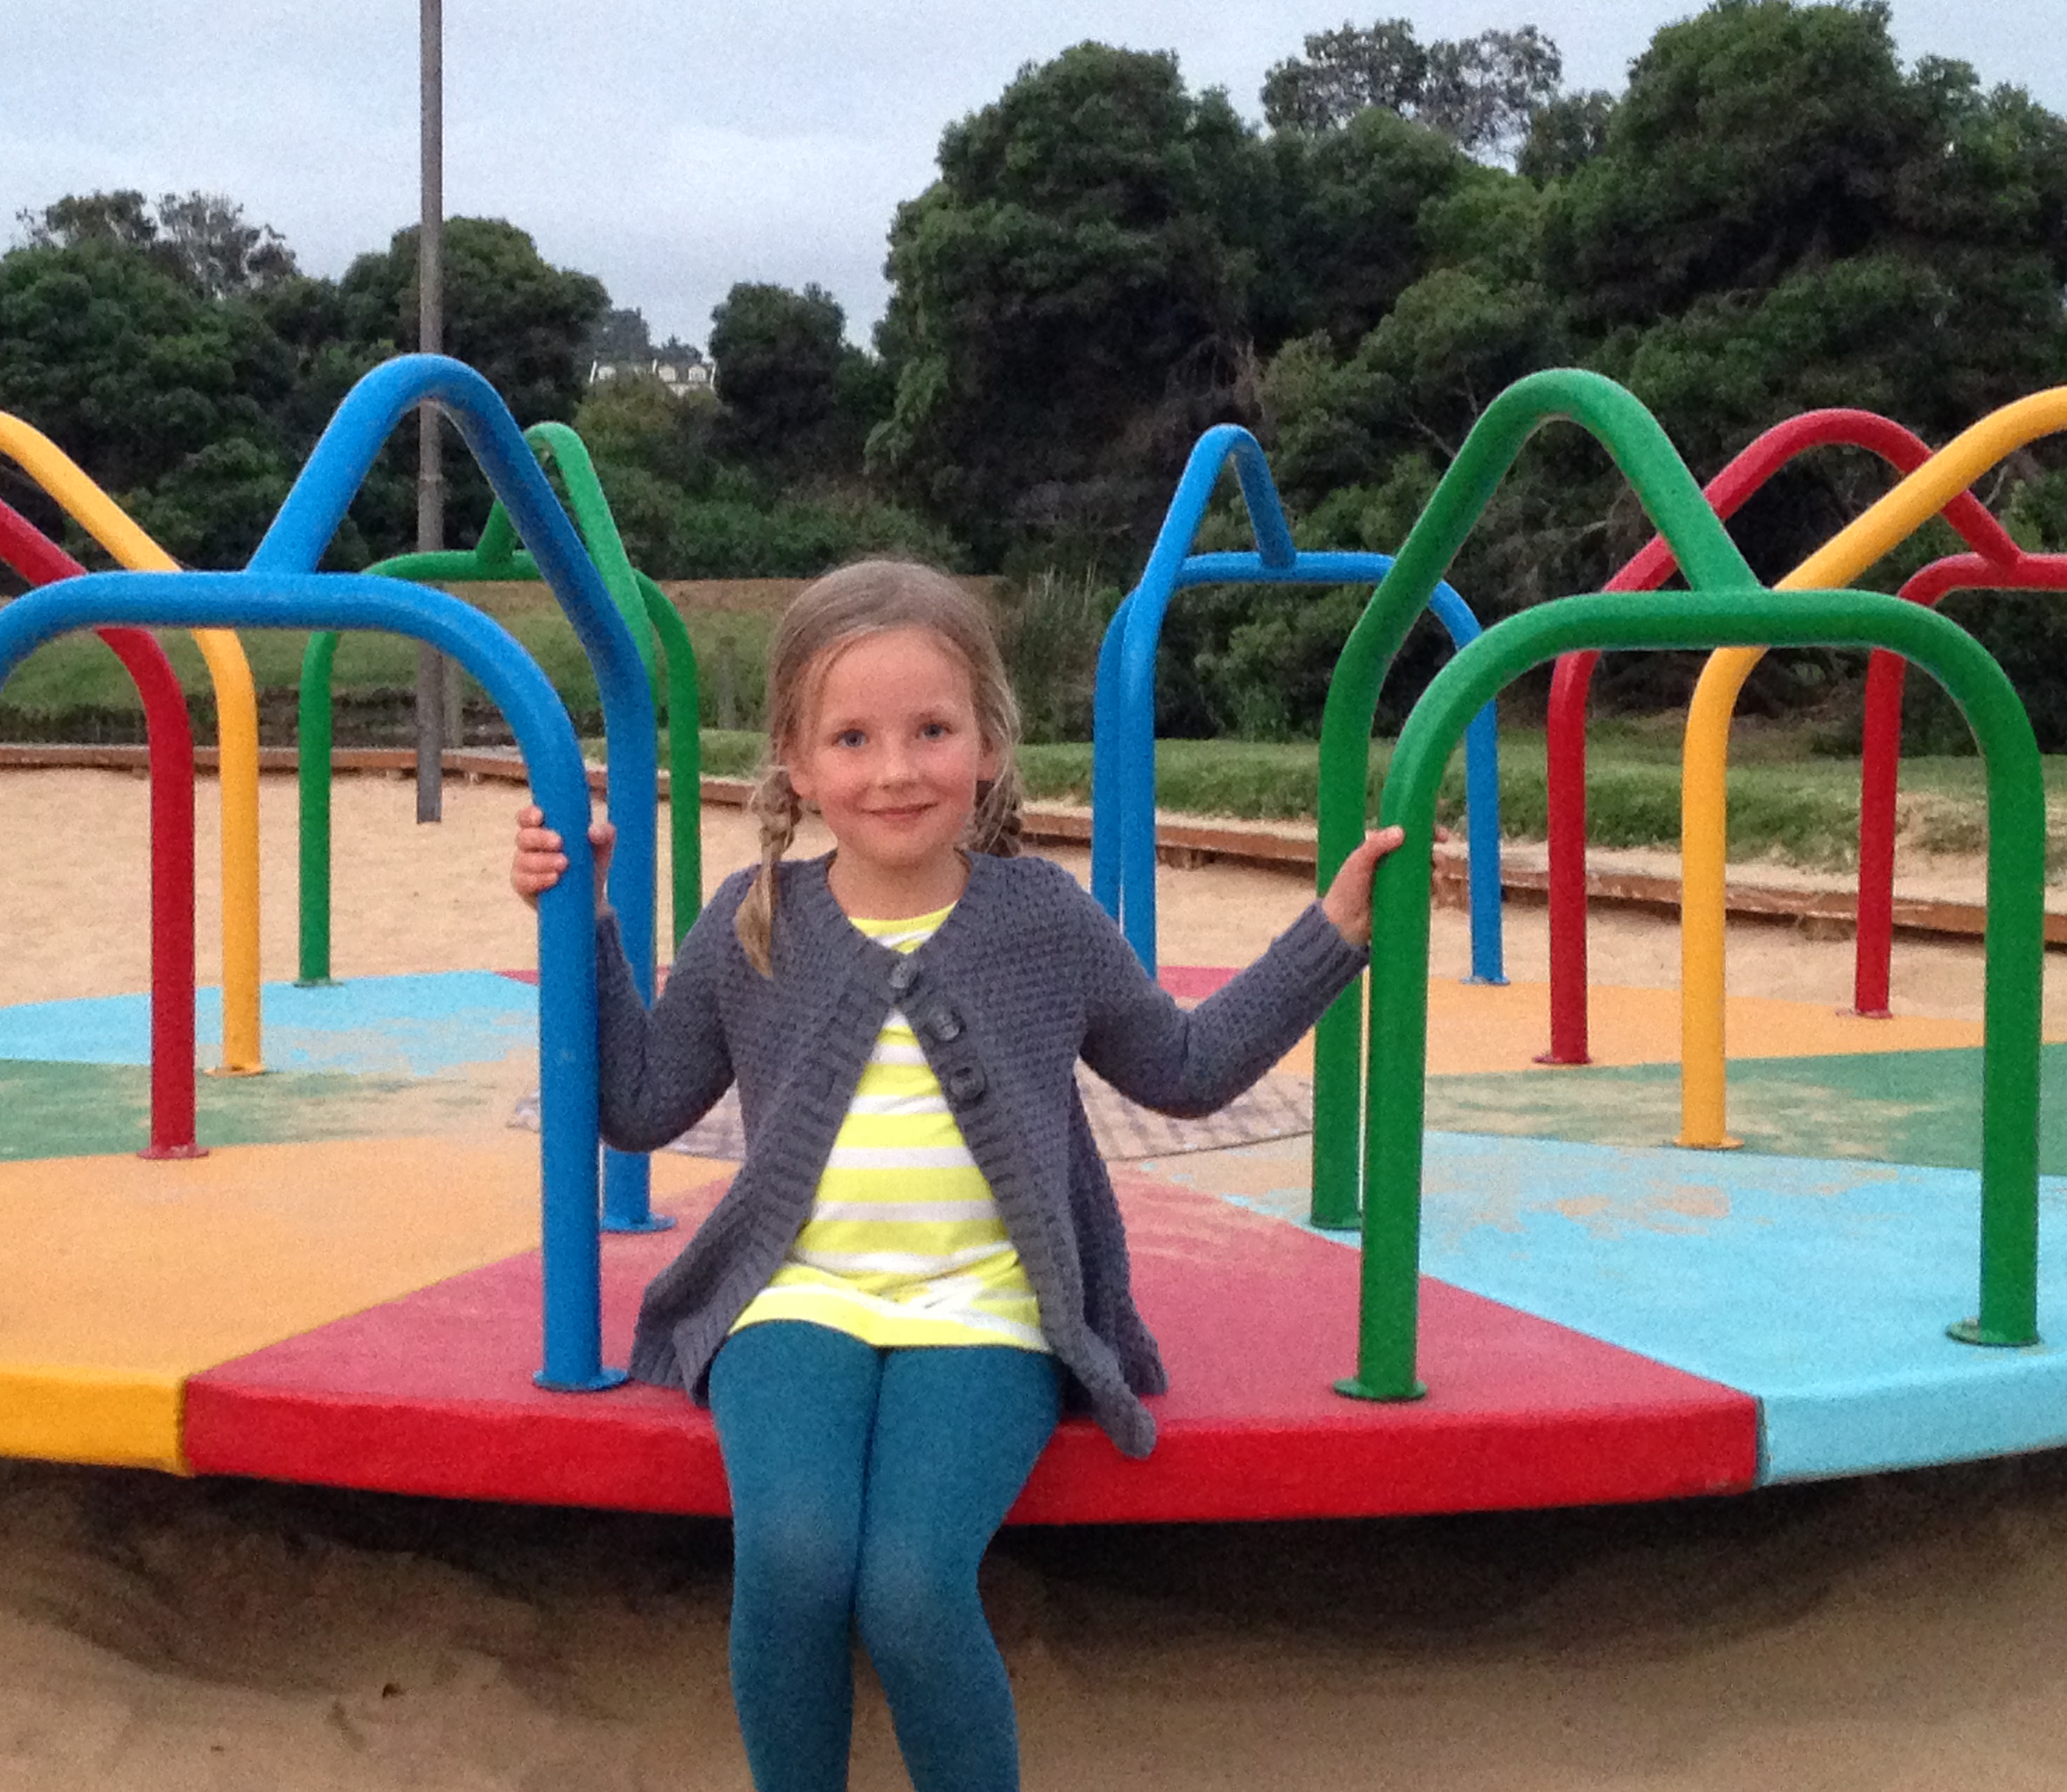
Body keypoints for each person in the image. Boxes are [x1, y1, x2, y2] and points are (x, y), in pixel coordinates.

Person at [512, 559, 1401, 1792]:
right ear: (796, 762)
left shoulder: (1040, 920)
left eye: (932, 731)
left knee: (915, 1588)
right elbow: (640, 1104)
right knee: (795, 1560)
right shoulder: (754, 919)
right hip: (794, 1297)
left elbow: (1186, 1068)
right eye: (853, 738)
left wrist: (1331, 937)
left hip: (990, 1306)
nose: (895, 770)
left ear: (988, 743)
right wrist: (586, 924)